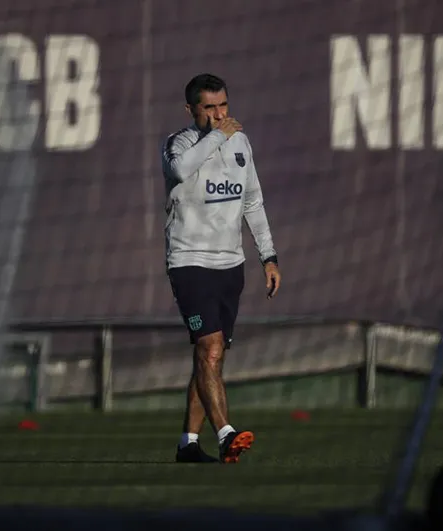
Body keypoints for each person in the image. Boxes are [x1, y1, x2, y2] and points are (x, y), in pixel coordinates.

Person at [161, 73, 281, 464]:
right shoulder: (178, 144)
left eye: (223, 105)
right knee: (208, 349)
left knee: (211, 356)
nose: (218, 114)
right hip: (189, 262)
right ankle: (227, 433)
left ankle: (188, 444)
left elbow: (253, 202)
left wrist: (268, 255)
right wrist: (217, 135)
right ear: (191, 109)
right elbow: (181, 171)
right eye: (209, 107)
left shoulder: (240, 142)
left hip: (231, 265)